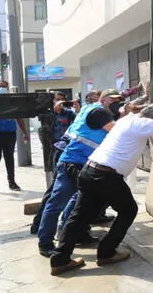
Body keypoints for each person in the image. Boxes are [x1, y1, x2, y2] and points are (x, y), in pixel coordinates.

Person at [50, 86, 153, 275]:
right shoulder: (142, 124)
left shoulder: (128, 120)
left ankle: (59, 259)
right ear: (150, 121)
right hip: (106, 175)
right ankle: (106, 252)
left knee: (79, 216)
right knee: (129, 210)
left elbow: (150, 109)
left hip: (89, 171)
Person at [37, 88, 125, 257]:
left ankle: (78, 233)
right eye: (113, 100)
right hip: (71, 163)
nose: (116, 104)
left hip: (84, 165)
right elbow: (117, 130)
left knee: (83, 202)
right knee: (57, 203)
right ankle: (45, 242)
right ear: (104, 100)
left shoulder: (96, 110)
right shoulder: (98, 112)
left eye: (118, 101)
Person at [0, 80, 29, 195]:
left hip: (9, 134)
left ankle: (12, 182)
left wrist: (25, 132)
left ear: (8, 88)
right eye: (0, 86)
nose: (1, 88)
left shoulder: (12, 101)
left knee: (9, 158)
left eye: (4, 86)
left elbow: (19, 118)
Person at [37, 92, 77, 188]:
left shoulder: (69, 113)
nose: (59, 102)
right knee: (54, 168)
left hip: (65, 145)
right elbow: (43, 124)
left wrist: (78, 109)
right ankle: (55, 186)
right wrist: (54, 110)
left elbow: (76, 124)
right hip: (52, 145)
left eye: (61, 99)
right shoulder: (47, 113)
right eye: (57, 99)